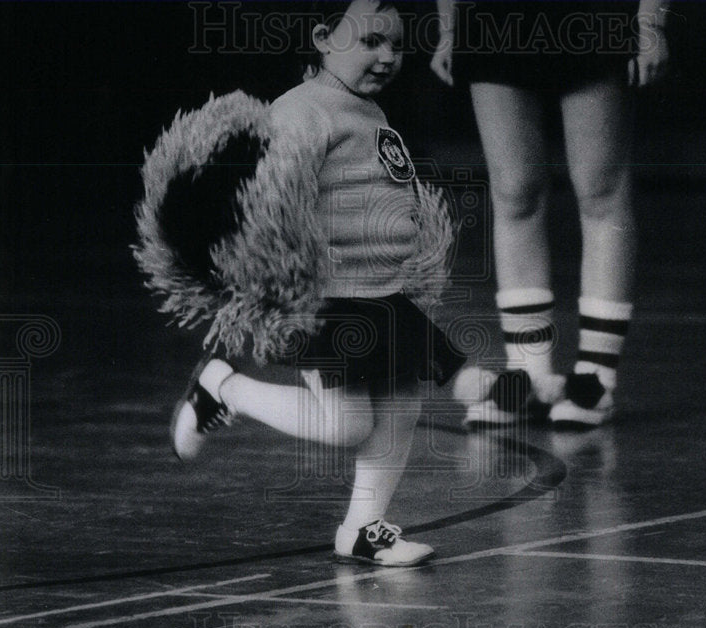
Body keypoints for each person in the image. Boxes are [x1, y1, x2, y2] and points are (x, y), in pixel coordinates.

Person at [134, 0, 464, 567]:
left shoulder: (369, 112)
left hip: (380, 293)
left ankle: (364, 528)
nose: (387, 57)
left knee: (402, 401)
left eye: (396, 44)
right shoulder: (302, 114)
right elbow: (270, 202)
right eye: (370, 41)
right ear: (323, 37)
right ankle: (224, 388)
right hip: (329, 301)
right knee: (346, 422)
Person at [432, 0, 669, 428]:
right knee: (513, 191)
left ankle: (596, 379)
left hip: (593, 14)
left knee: (601, 190)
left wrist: (650, 21)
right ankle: (529, 377)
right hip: (495, 17)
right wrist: (449, 29)